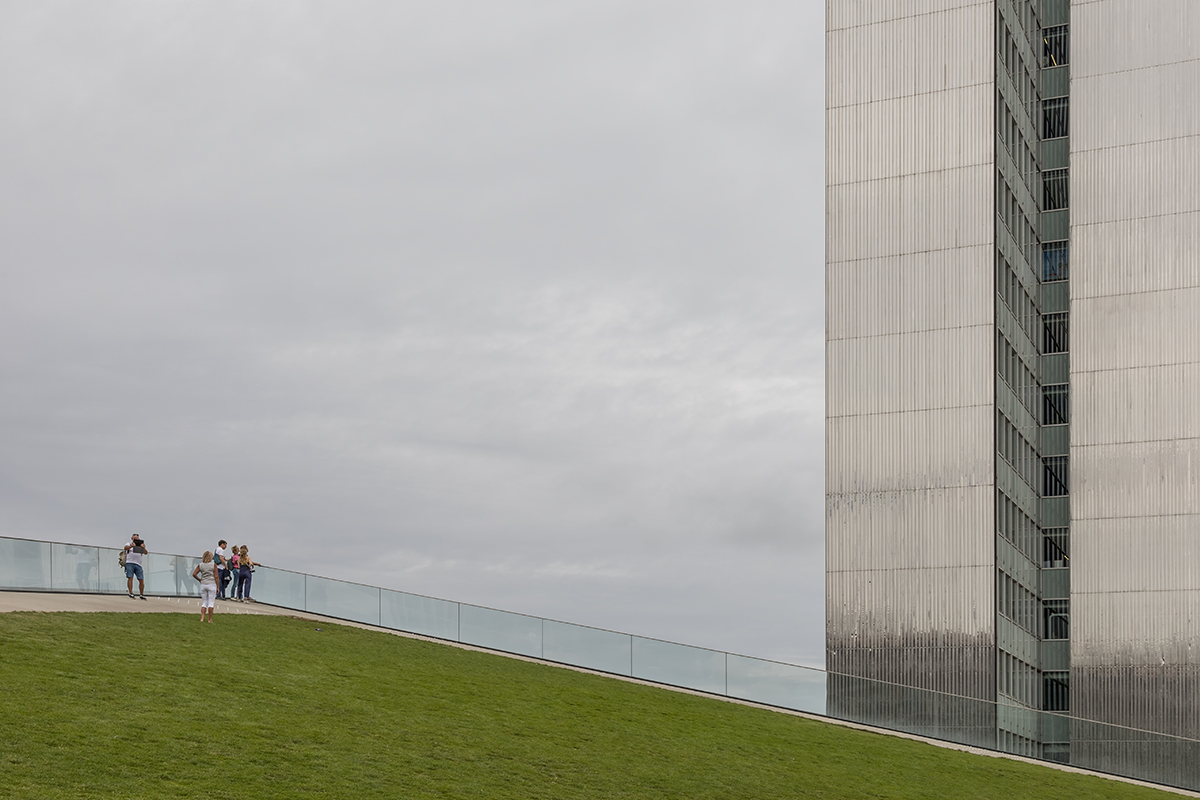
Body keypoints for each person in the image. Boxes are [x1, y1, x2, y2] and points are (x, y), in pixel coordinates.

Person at [192, 551, 218, 622]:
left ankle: (202, 618)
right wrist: (218, 586)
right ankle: (210, 619)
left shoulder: (200, 565)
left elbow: (194, 574)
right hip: (211, 584)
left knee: (204, 602)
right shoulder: (213, 565)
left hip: (203, 584)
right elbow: (216, 576)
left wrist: (199, 580)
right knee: (211, 603)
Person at [123, 536, 148, 600]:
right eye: (135, 538)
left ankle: (141, 594)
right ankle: (130, 593)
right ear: (132, 538)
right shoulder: (128, 544)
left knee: (141, 580)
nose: (136, 539)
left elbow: (145, 553)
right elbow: (125, 548)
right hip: (130, 562)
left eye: (137, 538)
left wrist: (143, 548)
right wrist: (131, 546)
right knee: (130, 578)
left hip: (138, 564)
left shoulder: (140, 546)